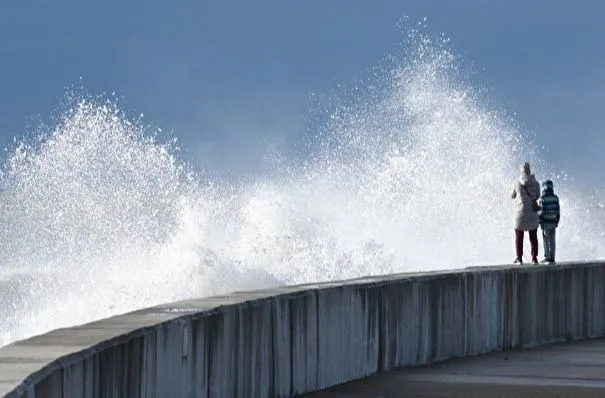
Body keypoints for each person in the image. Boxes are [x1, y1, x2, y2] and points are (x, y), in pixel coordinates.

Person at [511, 162, 541, 264]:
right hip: (532, 214)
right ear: (529, 171)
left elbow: (512, 195)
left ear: (521, 171)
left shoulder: (516, 182)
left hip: (520, 214)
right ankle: (534, 258)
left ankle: (519, 258)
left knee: (519, 236)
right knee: (533, 236)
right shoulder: (536, 183)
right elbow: (537, 195)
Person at [538, 180, 560, 264]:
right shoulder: (556, 197)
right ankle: (552, 256)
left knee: (546, 239)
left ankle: (547, 257)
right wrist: (557, 220)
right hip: (553, 222)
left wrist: (540, 220)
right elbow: (558, 211)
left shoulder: (542, 198)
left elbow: (541, 211)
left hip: (545, 222)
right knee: (552, 239)